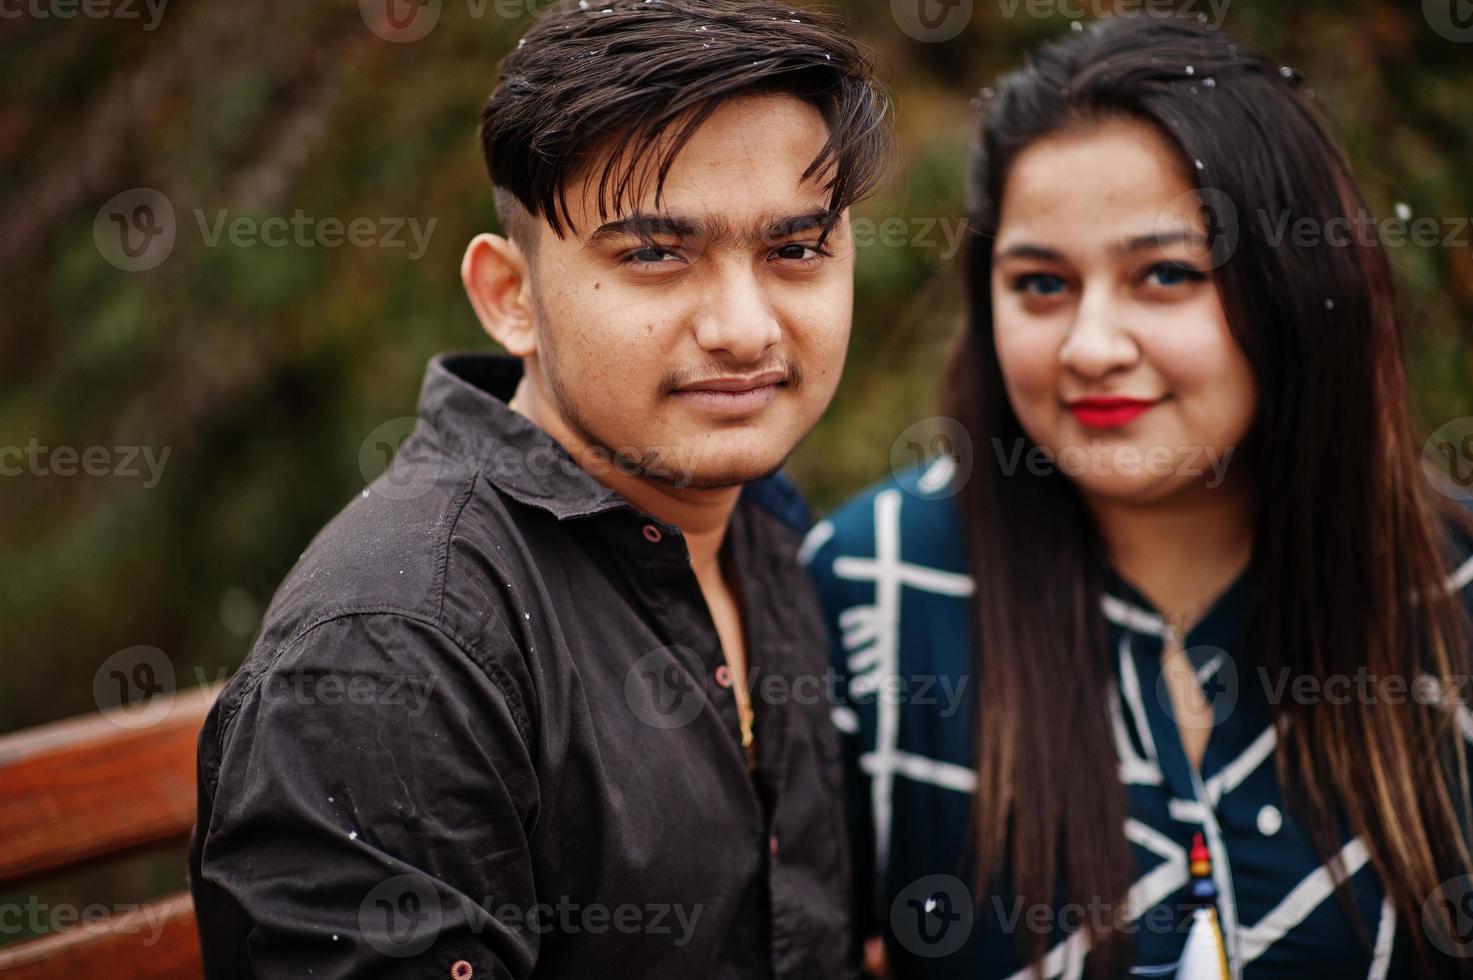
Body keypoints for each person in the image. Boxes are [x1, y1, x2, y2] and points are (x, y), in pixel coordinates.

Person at [188, 1, 893, 976]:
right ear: (510, 296)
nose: (743, 326)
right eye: (655, 253)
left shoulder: (759, 526)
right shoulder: (396, 649)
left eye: (795, 249)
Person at [805, 15, 1473, 979]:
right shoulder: (873, 588)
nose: (1089, 346)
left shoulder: (1452, 592)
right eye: (1039, 284)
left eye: (1164, 274)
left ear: (1295, 284)